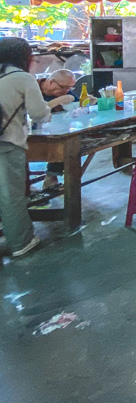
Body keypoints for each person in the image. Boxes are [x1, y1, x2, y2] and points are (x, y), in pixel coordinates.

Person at [0, 38, 54, 257]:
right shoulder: (22, 78)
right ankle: (21, 242)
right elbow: (39, 113)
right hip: (6, 144)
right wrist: (49, 110)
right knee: (10, 196)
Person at [37, 69, 77, 189]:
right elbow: (33, 111)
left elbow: (76, 103)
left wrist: (86, 101)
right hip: (32, 131)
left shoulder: (64, 90)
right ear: (51, 82)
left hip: (58, 131)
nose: (66, 91)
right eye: (64, 87)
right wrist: (57, 101)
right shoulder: (34, 88)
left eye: (70, 88)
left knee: (66, 141)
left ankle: (52, 177)